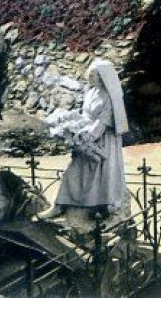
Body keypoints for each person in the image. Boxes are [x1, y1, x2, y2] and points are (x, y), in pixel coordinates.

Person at [46, 59, 130, 220]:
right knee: (73, 172)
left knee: (101, 177)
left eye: (93, 75)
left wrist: (87, 137)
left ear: (102, 77)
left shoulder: (109, 98)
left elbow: (102, 122)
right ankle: (60, 205)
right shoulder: (90, 92)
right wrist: (72, 122)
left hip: (102, 140)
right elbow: (86, 115)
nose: (90, 78)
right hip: (87, 136)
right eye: (89, 75)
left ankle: (101, 208)